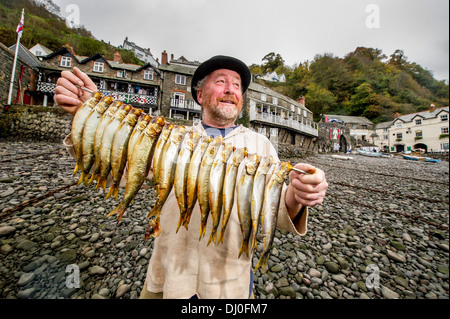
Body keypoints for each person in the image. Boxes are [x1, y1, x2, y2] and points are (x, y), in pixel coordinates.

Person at [54, 55, 328, 299]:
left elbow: (276, 209)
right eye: (220, 81)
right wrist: (88, 115)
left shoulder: (262, 147)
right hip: (168, 279)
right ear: (199, 95)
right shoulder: (172, 138)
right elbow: (118, 169)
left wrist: (298, 195)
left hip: (230, 287)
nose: (231, 89)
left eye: (236, 85)